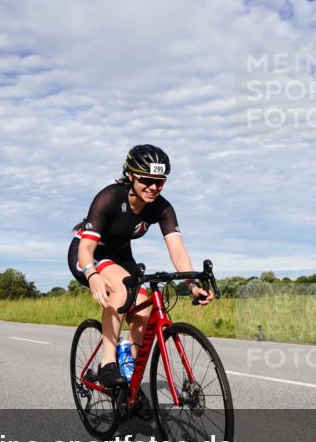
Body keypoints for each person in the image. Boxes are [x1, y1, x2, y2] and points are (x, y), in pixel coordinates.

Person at [68, 144, 214, 388]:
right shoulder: (109, 197)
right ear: (130, 175)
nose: (154, 187)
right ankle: (107, 363)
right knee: (123, 289)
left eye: (160, 181)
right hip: (89, 252)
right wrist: (92, 274)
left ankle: (129, 383)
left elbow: (177, 249)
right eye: (146, 179)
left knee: (144, 307)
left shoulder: (162, 207)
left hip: (120, 254)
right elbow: (85, 249)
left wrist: (191, 284)